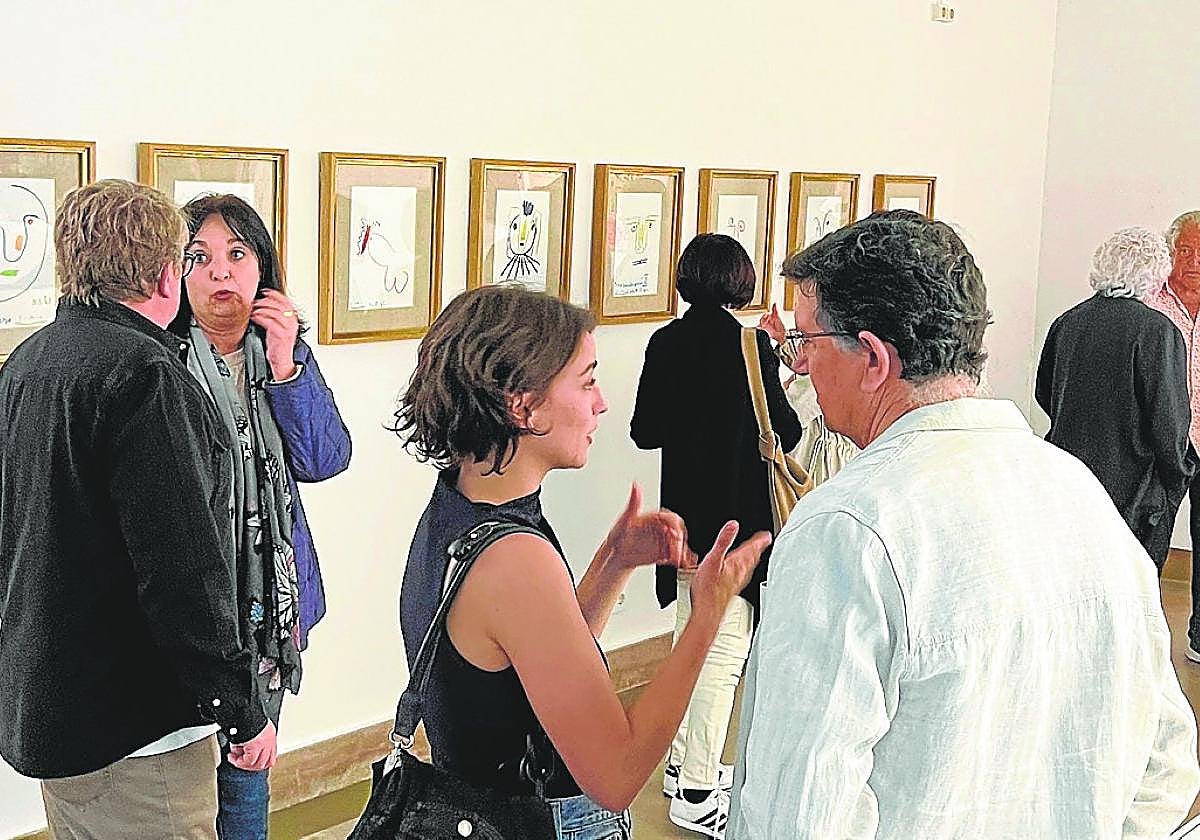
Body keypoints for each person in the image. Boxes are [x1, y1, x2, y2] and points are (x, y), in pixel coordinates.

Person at [729, 210, 1200, 839]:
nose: (802, 363)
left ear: (873, 358)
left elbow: (797, 814)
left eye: (806, 341)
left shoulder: (845, 529)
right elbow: (1166, 761)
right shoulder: (1077, 491)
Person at [393, 286, 772, 840]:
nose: (602, 403)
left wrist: (615, 561)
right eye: (588, 379)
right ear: (522, 405)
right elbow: (616, 777)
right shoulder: (514, 561)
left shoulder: (457, 509)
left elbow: (542, 664)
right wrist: (705, 618)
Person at [0, 179, 276, 839]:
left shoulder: (27, 365)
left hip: (53, 712)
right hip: (135, 738)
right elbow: (182, 569)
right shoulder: (144, 376)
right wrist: (240, 708)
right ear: (163, 275)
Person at [173, 194, 352, 839]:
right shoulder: (162, 363)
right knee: (189, 780)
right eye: (200, 257)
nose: (221, 273)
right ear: (175, 272)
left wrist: (286, 366)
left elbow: (326, 457)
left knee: (249, 770)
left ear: (262, 268)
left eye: (237, 254)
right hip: (191, 596)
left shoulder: (283, 354)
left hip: (269, 607)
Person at [629, 233, 801, 836]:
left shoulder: (664, 342)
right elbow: (789, 433)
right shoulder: (751, 346)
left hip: (685, 527)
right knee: (722, 657)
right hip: (737, 529)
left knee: (689, 645)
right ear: (740, 281)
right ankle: (699, 787)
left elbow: (644, 431)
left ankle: (681, 767)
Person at [1037, 226, 1196, 572]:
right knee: (1132, 585)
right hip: (1137, 489)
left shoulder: (1067, 322)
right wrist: (1179, 474)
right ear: (1153, 273)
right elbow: (1169, 420)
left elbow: (1044, 393)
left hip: (1072, 474)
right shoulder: (1157, 330)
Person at [1147, 210, 1200, 659]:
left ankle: (1199, 636)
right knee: (1149, 537)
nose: (1194, 262)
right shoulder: (1149, 303)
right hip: (1160, 441)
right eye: (1185, 250)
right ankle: (1137, 631)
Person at [758, 302, 859, 483]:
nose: (797, 364)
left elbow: (782, 417)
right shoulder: (841, 357)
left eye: (805, 339)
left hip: (816, 473)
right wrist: (783, 340)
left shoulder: (823, 383)